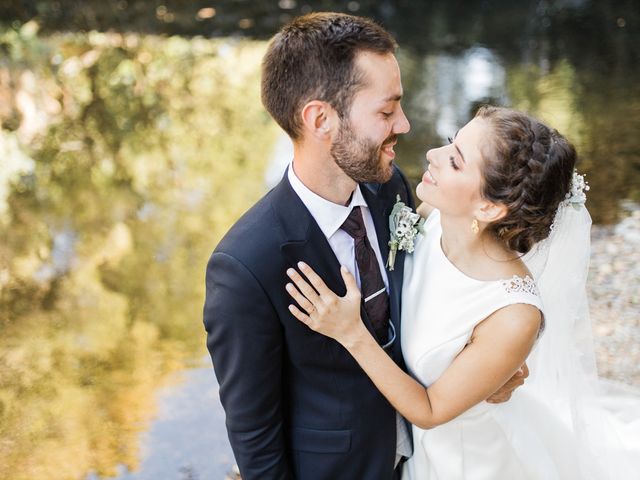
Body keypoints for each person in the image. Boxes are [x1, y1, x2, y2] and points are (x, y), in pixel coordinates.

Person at [203, 13, 526, 480]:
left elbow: (426, 304)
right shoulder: (246, 265)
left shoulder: (389, 186)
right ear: (320, 119)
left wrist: (477, 374)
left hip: (428, 458)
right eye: (386, 110)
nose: (406, 124)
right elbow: (255, 435)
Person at [286, 105, 640, 479]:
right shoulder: (433, 216)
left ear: (488, 207)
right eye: (449, 142)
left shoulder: (513, 313)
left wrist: (350, 333)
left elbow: (431, 411)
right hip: (415, 449)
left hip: (466, 463)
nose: (432, 155)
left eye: (455, 161)